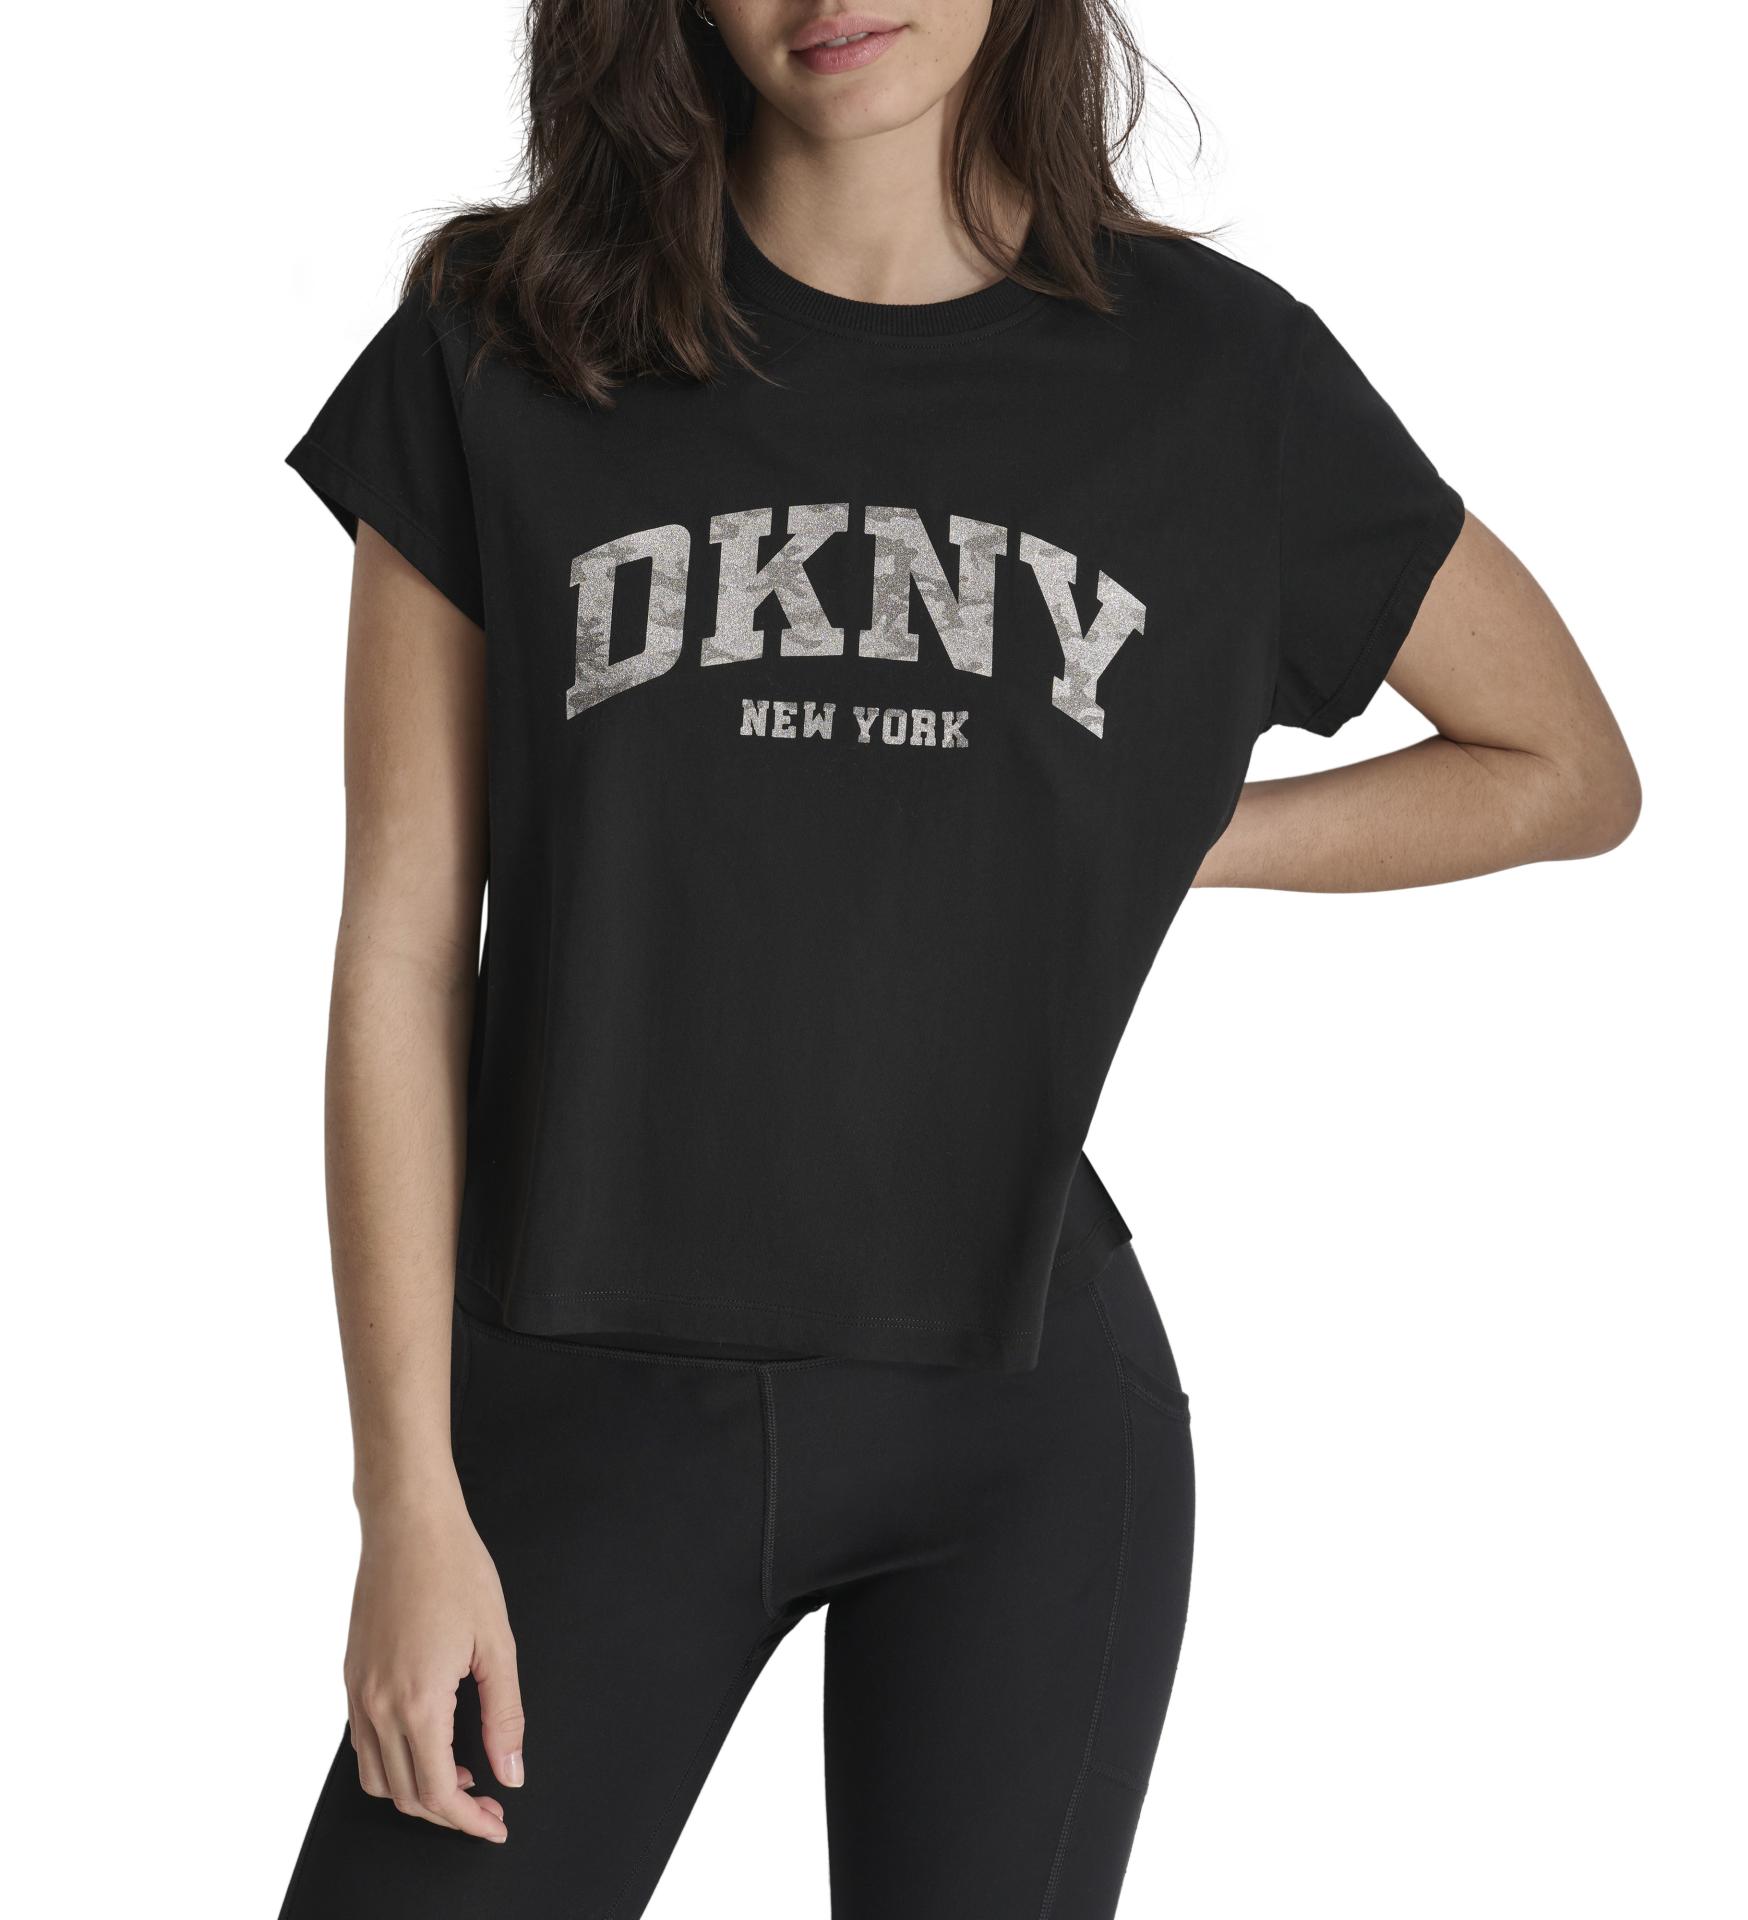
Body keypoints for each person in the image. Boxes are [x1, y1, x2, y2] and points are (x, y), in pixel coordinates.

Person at [276, 2, 1640, 1914]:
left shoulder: (1211, 374)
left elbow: (1565, 768)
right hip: (584, 1413)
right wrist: (406, 1495)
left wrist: (1161, 838)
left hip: (1026, 1421)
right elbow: (406, 946)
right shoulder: (507, 342)